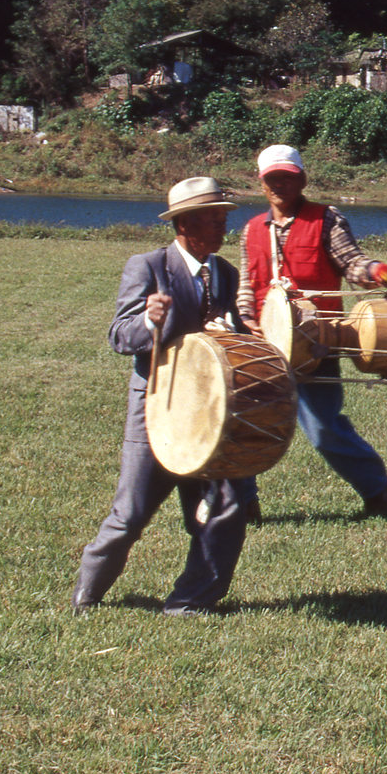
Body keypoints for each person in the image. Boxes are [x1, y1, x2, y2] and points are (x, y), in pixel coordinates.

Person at [73, 177, 260, 616]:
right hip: (158, 409)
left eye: (223, 219)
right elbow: (120, 335)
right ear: (183, 225)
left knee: (228, 506)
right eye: (212, 220)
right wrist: (150, 323)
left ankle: (191, 601)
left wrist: (244, 330)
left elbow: (232, 337)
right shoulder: (148, 266)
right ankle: (88, 594)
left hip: (215, 414)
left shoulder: (226, 273)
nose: (222, 228)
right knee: (132, 513)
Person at [236, 145, 387, 515]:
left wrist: (373, 273)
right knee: (245, 421)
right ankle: (243, 504)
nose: (280, 185)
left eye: (288, 178)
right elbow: (247, 285)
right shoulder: (249, 231)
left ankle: (376, 488)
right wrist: (245, 317)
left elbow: (351, 262)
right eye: (272, 178)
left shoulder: (326, 219)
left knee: (322, 429)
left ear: (303, 180)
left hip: (317, 346)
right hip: (263, 345)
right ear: (261, 184)